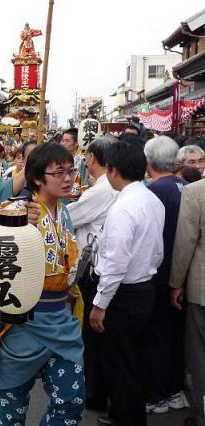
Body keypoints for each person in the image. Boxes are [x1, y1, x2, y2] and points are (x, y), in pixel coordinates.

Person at [0, 142, 84, 426]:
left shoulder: (63, 211)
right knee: (13, 406)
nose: (68, 178)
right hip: (23, 322)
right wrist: (10, 224)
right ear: (39, 178)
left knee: (70, 401)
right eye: (59, 173)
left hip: (61, 319)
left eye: (71, 171)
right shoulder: (20, 209)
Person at [89, 139, 164, 426]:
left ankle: (127, 418)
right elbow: (156, 251)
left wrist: (100, 305)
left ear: (112, 170)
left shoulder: (123, 208)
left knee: (120, 360)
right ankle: (124, 413)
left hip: (124, 293)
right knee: (133, 355)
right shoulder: (151, 199)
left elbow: (115, 264)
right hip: (145, 286)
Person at [65, 135, 118, 411]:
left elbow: (69, 217)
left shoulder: (102, 189)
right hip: (101, 267)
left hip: (94, 268)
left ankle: (93, 393)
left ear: (92, 159)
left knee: (90, 334)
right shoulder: (110, 186)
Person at [139, 135, 190, 415]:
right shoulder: (187, 186)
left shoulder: (153, 192)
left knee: (156, 337)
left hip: (160, 277)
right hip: (184, 277)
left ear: (147, 162)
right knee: (176, 337)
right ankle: (175, 390)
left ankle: (158, 395)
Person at [170, 177, 205, 426]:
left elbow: (185, 242)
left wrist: (176, 282)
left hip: (202, 287)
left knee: (200, 354)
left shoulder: (196, 191)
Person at [60, 128, 89, 204]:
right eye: (63, 140)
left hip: (76, 202)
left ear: (76, 143)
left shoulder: (83, 161)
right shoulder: (59, 159)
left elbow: (84, 184)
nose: (63, 143)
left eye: (67, 141)